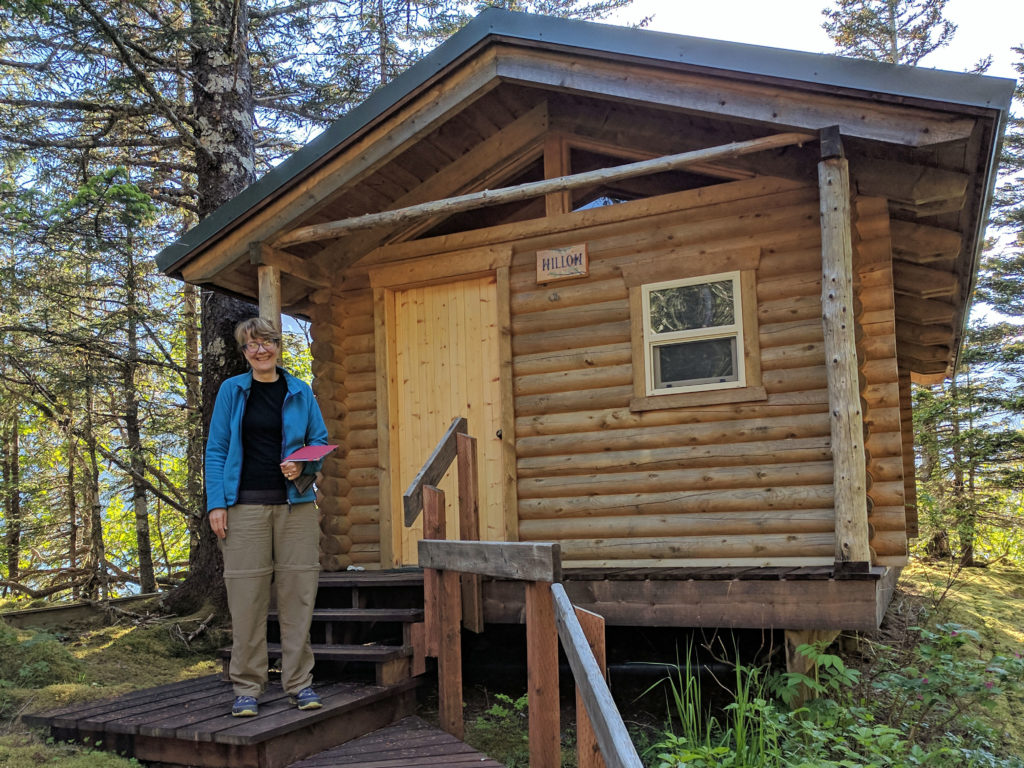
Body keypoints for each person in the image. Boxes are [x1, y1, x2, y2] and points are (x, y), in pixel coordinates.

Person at [205, 317, 329, 717]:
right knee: (247, 601)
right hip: (243, 509)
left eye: (267, 343)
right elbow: (216, 450)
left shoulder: (299, 391)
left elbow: (319, 443)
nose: (260, 350)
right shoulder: (232, 391)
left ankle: (300, 684)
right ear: (244, 353)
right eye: (251, 345)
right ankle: (247, 687)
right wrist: (216, 504)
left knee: (298, 597)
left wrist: (302, 469)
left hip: (296, 508)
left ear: (278, 347)